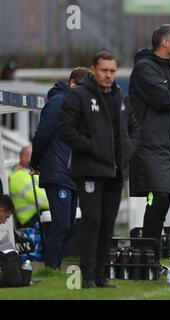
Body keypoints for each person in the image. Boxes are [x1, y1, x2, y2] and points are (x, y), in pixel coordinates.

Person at [58, 51, 140, 288]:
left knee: (107, 223)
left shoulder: (122, 98)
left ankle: (102, 276)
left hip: (115, 171)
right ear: (94, 70)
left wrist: (128, 151)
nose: (108, 75)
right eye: (104, 70)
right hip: (90, 169)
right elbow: (65, 129)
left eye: (112, 71)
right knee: (92, 221)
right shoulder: (79, 96)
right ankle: (88, 277)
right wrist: (91, 147)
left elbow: (135, 131)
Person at [129, 24, 170, 243]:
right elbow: (163, 100)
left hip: (169, 145)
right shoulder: (144, 68)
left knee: (163, 198)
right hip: (150, 144)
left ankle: (150, 254)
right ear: (165, 42)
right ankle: (147, 251)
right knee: (158, 196)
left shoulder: (169, 68)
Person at [30, 67, 89, 270]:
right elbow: (42, 134)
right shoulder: (58, 102)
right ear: (73, 84)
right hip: (58, 173)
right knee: (62, 225)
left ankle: (54, 267)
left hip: (71, 174)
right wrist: (34, 162)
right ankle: (51, 268)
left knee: (69, 226)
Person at [9, 146, 49, 228]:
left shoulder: (30, 173)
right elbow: (43, 200)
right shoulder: (19, 177)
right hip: (31, 222)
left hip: (39, 216)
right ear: (25, 158)